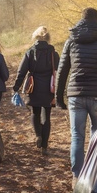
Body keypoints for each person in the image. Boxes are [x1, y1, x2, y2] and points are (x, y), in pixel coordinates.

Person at [55, 8, 97, 185]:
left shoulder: (71, 42)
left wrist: (59, 96)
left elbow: (62, 70)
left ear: (81, 20)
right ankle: (96, 175)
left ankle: (77, 177)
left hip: (75, 94)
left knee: (77, 136)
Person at [12, 26, 59, 156]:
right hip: (49, 88)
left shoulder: (30, 52)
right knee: (47, 116)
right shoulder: (53, 53)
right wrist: (60, 91)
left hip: (34, 87)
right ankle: (44, 146)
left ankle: (38, 135)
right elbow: (59, 72)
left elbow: (21, 71)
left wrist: (16, 87)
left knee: (35, 112)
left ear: (35, 37)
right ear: (48, 38)